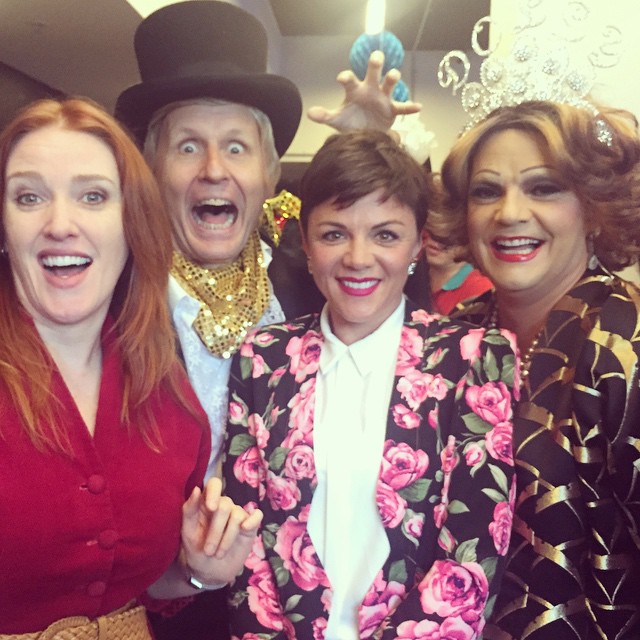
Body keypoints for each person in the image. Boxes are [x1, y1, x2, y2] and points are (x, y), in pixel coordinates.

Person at [114, 4, 427, 636]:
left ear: (268, 172)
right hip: (160, 608)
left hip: (301, 606)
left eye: (236, 146)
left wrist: (370, 149)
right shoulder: (110, 303)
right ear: (151, 171)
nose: (214, 169)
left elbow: (406, 324)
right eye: (187, 147)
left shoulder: (314, 282)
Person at [222, 129, 518, 640]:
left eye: (385, 235)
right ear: (306, 243)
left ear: (417, 244)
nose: (358, 258)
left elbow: (473, 552)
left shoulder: (473, 357)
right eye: (334, 234)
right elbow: (244, 539)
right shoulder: (262, 357)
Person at [0, 97, 261, 638]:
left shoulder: (168, 396)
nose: (60, 224)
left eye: (93, 196)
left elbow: (142, 586)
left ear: (131, 222)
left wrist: (200, 571)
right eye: (29, 197)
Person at [429, 99, 640, 638]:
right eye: (486, 191)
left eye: (543, 187)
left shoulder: (626, 342)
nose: (510, 213)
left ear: (592, 206)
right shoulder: (453, 335)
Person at [423, 231, 492, 315]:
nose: (436, 238)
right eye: (432, 229)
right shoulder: (412, 267)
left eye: (451, 232)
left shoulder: (480, 288)